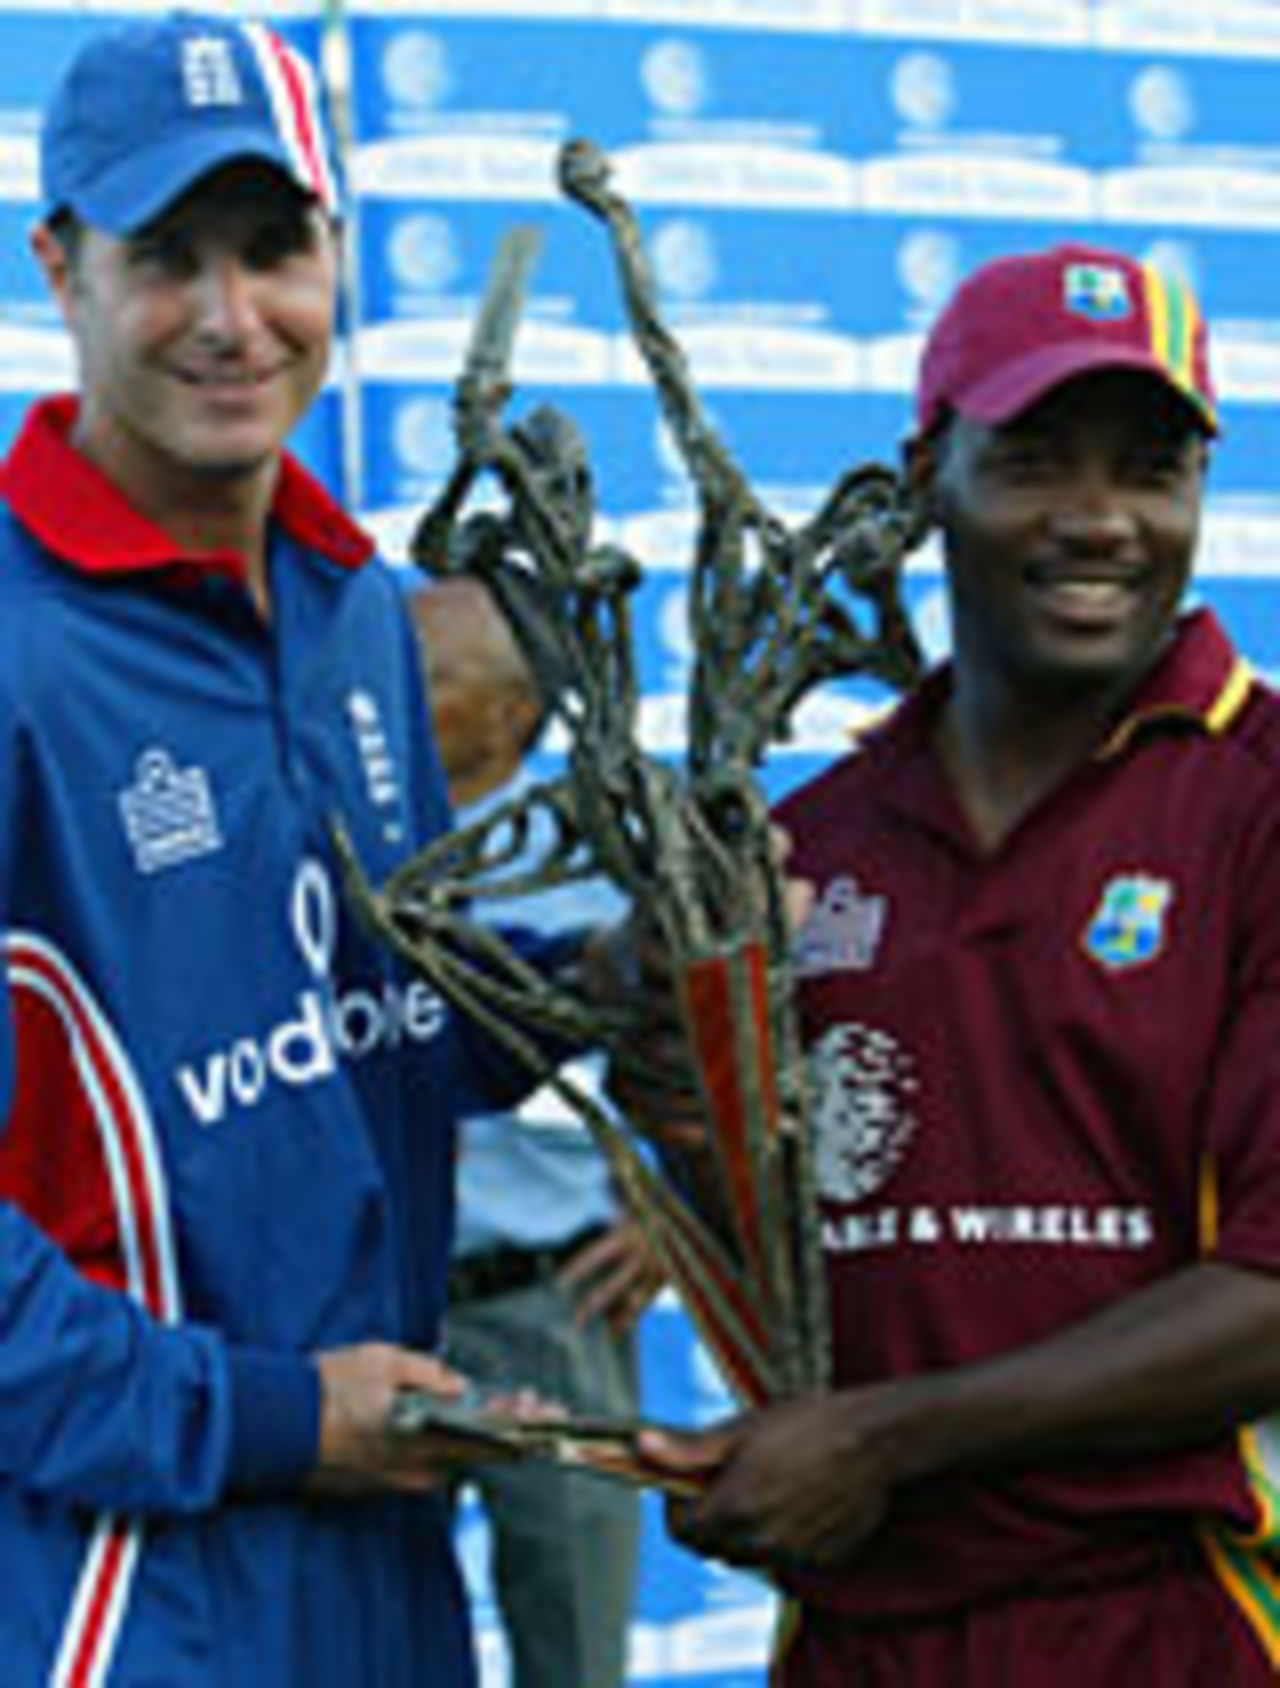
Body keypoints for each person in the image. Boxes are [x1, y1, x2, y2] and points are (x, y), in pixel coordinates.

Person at [0, 15, 587, 1686]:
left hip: (386, 1565)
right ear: (62, 267)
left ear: (338, 252)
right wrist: (273, 1418)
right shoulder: (15, 652)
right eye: (165, 256)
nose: (229, 316)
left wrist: (605, 995)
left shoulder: (355, 613)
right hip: (118, 1586)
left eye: (273, 249)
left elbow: (365, 1016)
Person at [639, 243, 1280, 1684]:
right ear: (929, 473)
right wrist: (677, 1079)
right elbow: (789, 1250)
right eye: (1038, 461)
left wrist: (882, 1436)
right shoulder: (809, 845)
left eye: (1152, 470)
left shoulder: (1258, 803)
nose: (1102, 520)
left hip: (1168, 1628)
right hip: (862, 1636)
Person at [410, 574, 657, 1688]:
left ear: (514, 713)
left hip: (550, 1314)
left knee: (574, 1654)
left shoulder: (596, 871)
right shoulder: (329, 853)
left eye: (428, 675)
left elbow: (701, 1064)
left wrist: (670, 1210)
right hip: (371, 1325)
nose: (390, 693)